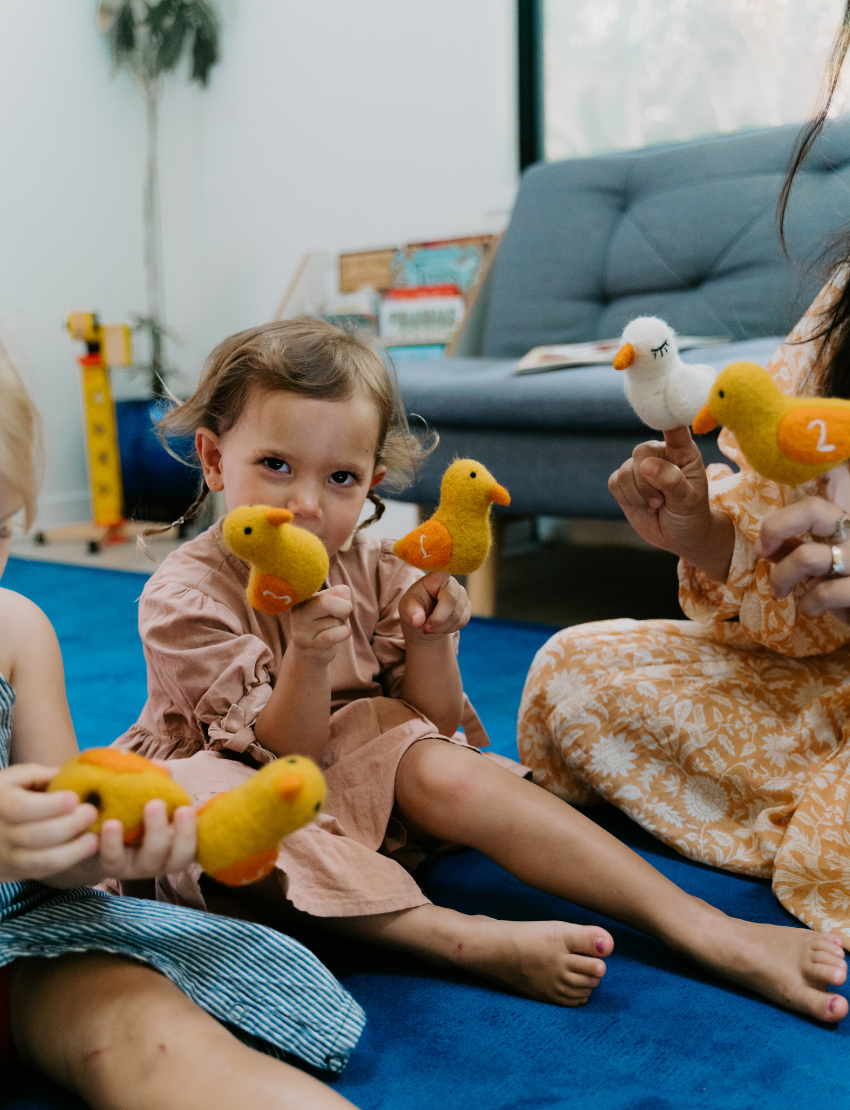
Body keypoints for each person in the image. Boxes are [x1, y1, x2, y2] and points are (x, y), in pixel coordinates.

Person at [113, 317, 848, 1023]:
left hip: (365, 775)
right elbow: (286, 763)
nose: (305, 504)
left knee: (442, 765)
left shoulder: (379, 566)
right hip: (257, 777)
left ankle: (701, 926)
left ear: (371, 483)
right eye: (275, 466)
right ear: (214, 459)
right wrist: (308, 657)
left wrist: (430, 639)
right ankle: (451, 938)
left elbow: (431, 724)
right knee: (216, 829)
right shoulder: (184, 598)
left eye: (339, 477)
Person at [519, 0, 850, 961]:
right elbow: (787, 517)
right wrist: (708, 532)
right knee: (572, 676)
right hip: (825, 689)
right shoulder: (844, 305)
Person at [0, 342, 364, 1110]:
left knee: (160, 1035)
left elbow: (68, 843)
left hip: (22, 943)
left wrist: (106, 841)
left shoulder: (17, 631)